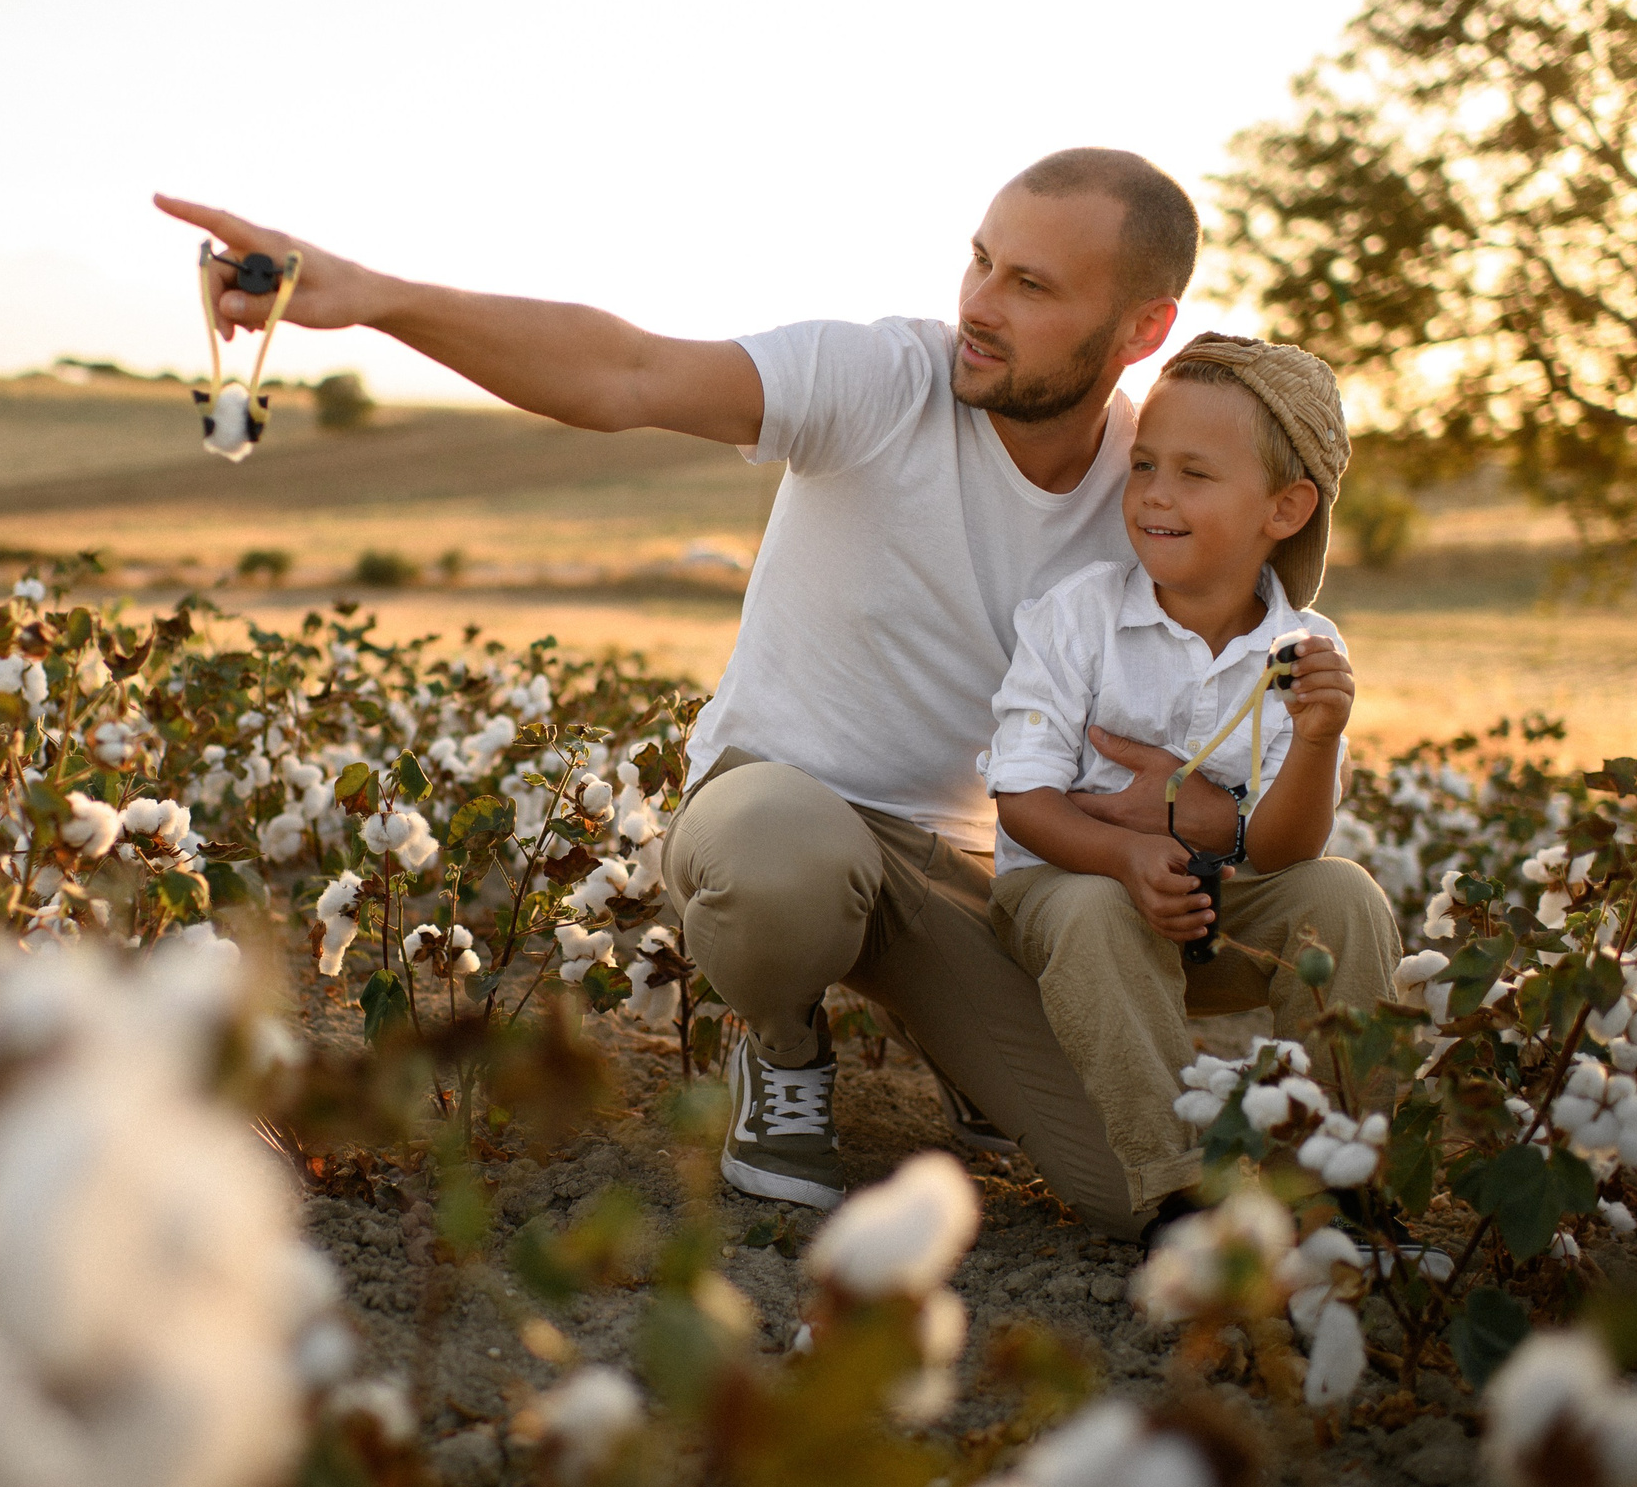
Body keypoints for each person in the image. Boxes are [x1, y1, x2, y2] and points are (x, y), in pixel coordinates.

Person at [157, 149, 1242, 1240]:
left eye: (1033, 285)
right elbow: (622, 371)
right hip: (773, 811)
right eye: (980, 260)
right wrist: (377, 297)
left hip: (961, 867)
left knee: (1131, 1184)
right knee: (786, 867)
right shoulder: (883, 379)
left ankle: (962, 1044)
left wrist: (1188, 805)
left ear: (1142, 330)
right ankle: (777, 1049)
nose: (980, 304)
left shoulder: (1152, 491)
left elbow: (1237, 663)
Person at [982, 334, 1399, 1223]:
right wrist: (1124, 858)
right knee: (1096, 909)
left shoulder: (1303, 650)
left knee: (1348, 897)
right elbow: (1022, 800)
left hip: (1222, 912)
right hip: (1071, 905)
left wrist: (1319, 737)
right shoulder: (1077, 617)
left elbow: (1285, 850)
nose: (1155, 496)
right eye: (1143, 466)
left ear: (1284, 509)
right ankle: (1179, 1191)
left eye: (1194, 474)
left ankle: (1341, 1174)